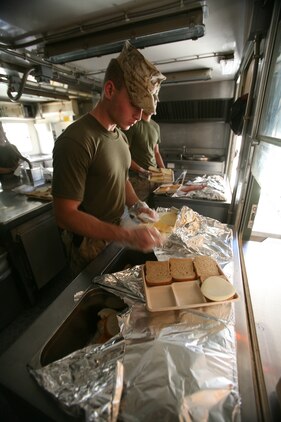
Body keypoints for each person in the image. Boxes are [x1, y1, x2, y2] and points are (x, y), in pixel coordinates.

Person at [52, 41, 166, 276]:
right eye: (135, 104)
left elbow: (121, 178)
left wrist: (137, 205)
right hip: (90, 243)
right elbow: (65, 215)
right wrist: (126, 235)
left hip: (116, 230)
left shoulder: (120, 138)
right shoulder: (77, 140)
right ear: (110, 90)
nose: (140, 116)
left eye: (145, 109)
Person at [125, 110, 166, 201]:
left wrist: (164, 171)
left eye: (155, 101)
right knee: (139, 212)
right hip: (137, 179)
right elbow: (124, 154)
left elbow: (156, 153)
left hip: (154, 178)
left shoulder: (156, 126)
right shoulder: (133, 124)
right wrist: (142, 170)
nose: (153, 104)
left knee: (154, 208)